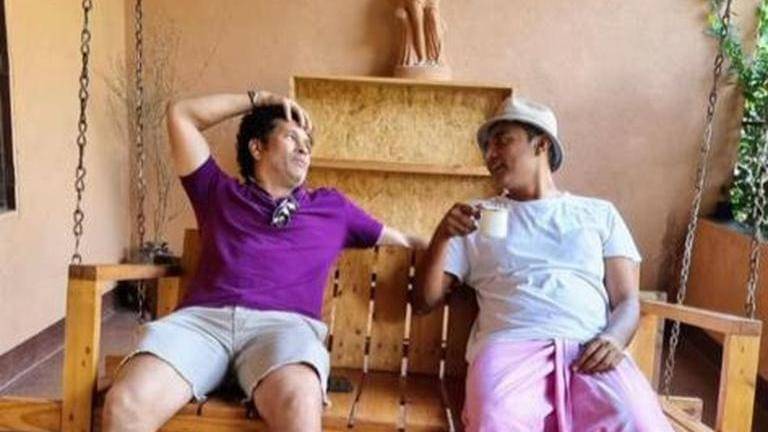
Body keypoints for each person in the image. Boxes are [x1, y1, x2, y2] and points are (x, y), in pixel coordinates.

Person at [103, 91, 426, 432]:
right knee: (126, 403)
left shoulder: (333, 208)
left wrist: (453, 242)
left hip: (283, 330)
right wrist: (260, 98)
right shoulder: (217, 192)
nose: (304, 148)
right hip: (202, 326)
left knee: (299, 404)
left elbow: (404, 242)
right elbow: (181, 114)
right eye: (292, 137)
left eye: (308, 143)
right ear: (257, 148)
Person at [414, 96, 672, 431]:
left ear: (542, 144)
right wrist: (442, 236)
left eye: (502, 141)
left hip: (590, 348)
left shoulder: (598, 214)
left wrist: (614, 339)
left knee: (637, 420)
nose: (490, 155)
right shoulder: (475, 217)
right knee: (496, 419)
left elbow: (627, 300)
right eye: (487, 147)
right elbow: (425, 300)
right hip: (510, 345)